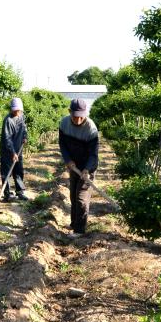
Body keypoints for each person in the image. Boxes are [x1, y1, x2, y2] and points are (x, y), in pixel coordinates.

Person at [59, 98, 99, 236]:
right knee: (73, 196)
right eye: (75, 116)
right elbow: (62, 144)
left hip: (87, 166)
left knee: (81, 198)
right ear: (70, 112)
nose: (78, 119)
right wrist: (68, 160)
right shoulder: (64, 123)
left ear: (85, 113)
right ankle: (74, 223)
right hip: (73, 165)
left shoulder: (91, 129)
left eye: (81, 116)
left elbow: (93, 154)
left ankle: (79, 230)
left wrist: (87, 169)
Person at [0, 97, 29, 202]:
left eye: (18, 110)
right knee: (6, 172)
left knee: (18, 171)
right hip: (7, 151)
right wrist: (12, 152)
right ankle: (7, 194)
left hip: (18, 149)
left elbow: (24, 128)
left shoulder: (21, 117)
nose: (17, 112)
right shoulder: (8, 120)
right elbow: (7, 139)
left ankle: (20, 192)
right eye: (15, 110)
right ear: (11, 109)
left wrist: (25, 137)